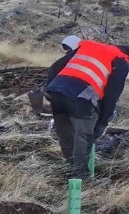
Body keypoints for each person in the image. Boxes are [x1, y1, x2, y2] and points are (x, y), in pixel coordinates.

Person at [44, 35, 129, 177]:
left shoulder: (88, 46)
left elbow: (55, 67)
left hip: (57, 93)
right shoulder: (121, 61)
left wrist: (49, 89)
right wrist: (102, 122)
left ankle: (74, 172)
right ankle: (82, 176)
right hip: (83, 96)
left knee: (66, 136)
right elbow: (112, 93)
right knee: (84, 136)